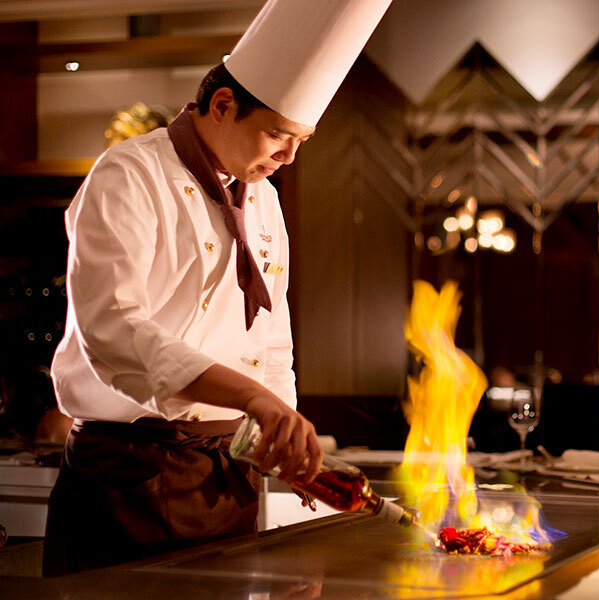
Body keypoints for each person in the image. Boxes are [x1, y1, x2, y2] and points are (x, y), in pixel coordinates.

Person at [42, 0, 391, 577]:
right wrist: (252, 399)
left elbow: (271, 341)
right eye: (278, 135)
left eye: (302, 140)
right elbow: (115, 328)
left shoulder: (264, 199)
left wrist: (284, 437)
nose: (288, 157)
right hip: (129, 476)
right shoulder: (129, 174)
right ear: (223, 105)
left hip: (228, 477)